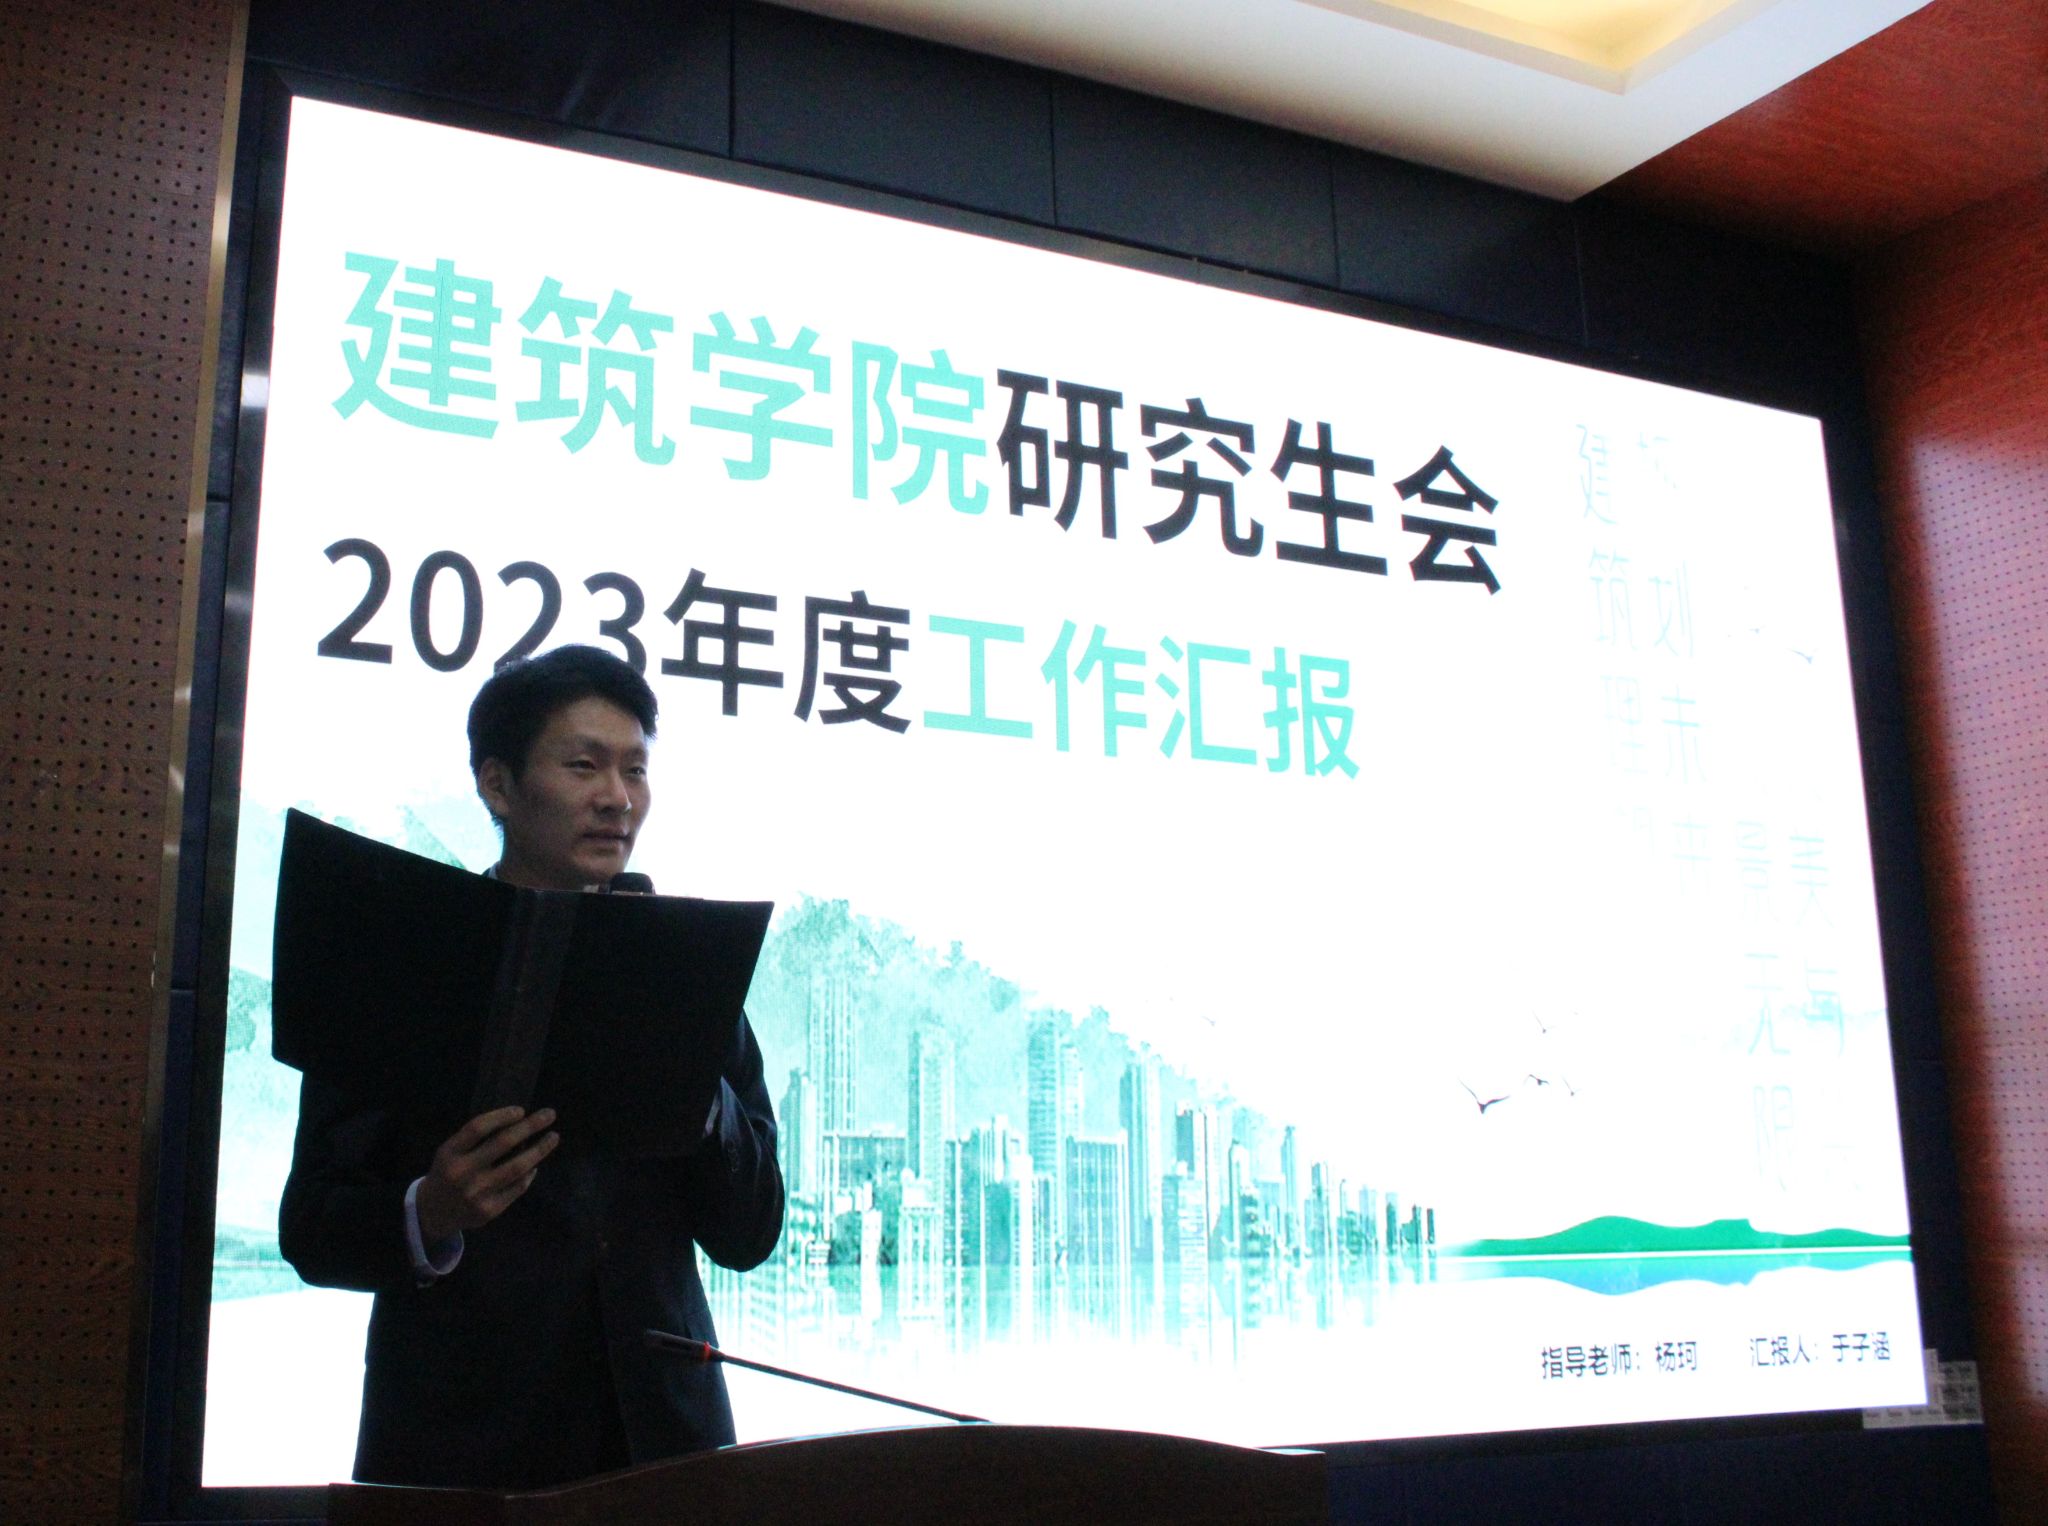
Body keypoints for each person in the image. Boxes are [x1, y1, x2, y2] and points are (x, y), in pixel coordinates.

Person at [278, 645, 784, 1489]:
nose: (617, 798)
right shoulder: (402, 962)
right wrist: (429, 1211)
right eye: (584, 766)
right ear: (498, 785)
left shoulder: (686, 972)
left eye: (635, 770)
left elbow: (752, 1232)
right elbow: (311, 1226)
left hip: (667, 1448)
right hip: (461, 1454)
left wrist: (699, 1096)